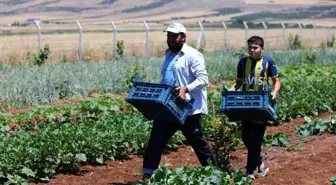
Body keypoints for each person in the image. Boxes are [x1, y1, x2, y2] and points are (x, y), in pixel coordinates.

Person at [142, 23, 217, 179]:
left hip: (187, 109)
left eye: (174, 36)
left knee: (199, 144)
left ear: (183, 37)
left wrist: (186, 88)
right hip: (168, 107)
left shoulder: (193, 55)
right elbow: (166, 78)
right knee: (155, 141)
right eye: (168, 36)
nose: (170, 39)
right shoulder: (168, 54)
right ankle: (147, 176)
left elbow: (203, 79)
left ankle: (216, 174)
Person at [230, 36, 281, 179]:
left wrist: (274, 92)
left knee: (257, 138)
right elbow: (239, 82)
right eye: (250, 48)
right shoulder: (242, 62)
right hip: (246, 104)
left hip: (261, 105)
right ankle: (260, 163)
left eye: (255, 48)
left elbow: (277, 82)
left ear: (262, 49)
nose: (252, 50)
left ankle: (249, 171)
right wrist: (232, 89)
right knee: (246, 137)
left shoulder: (268, 62)